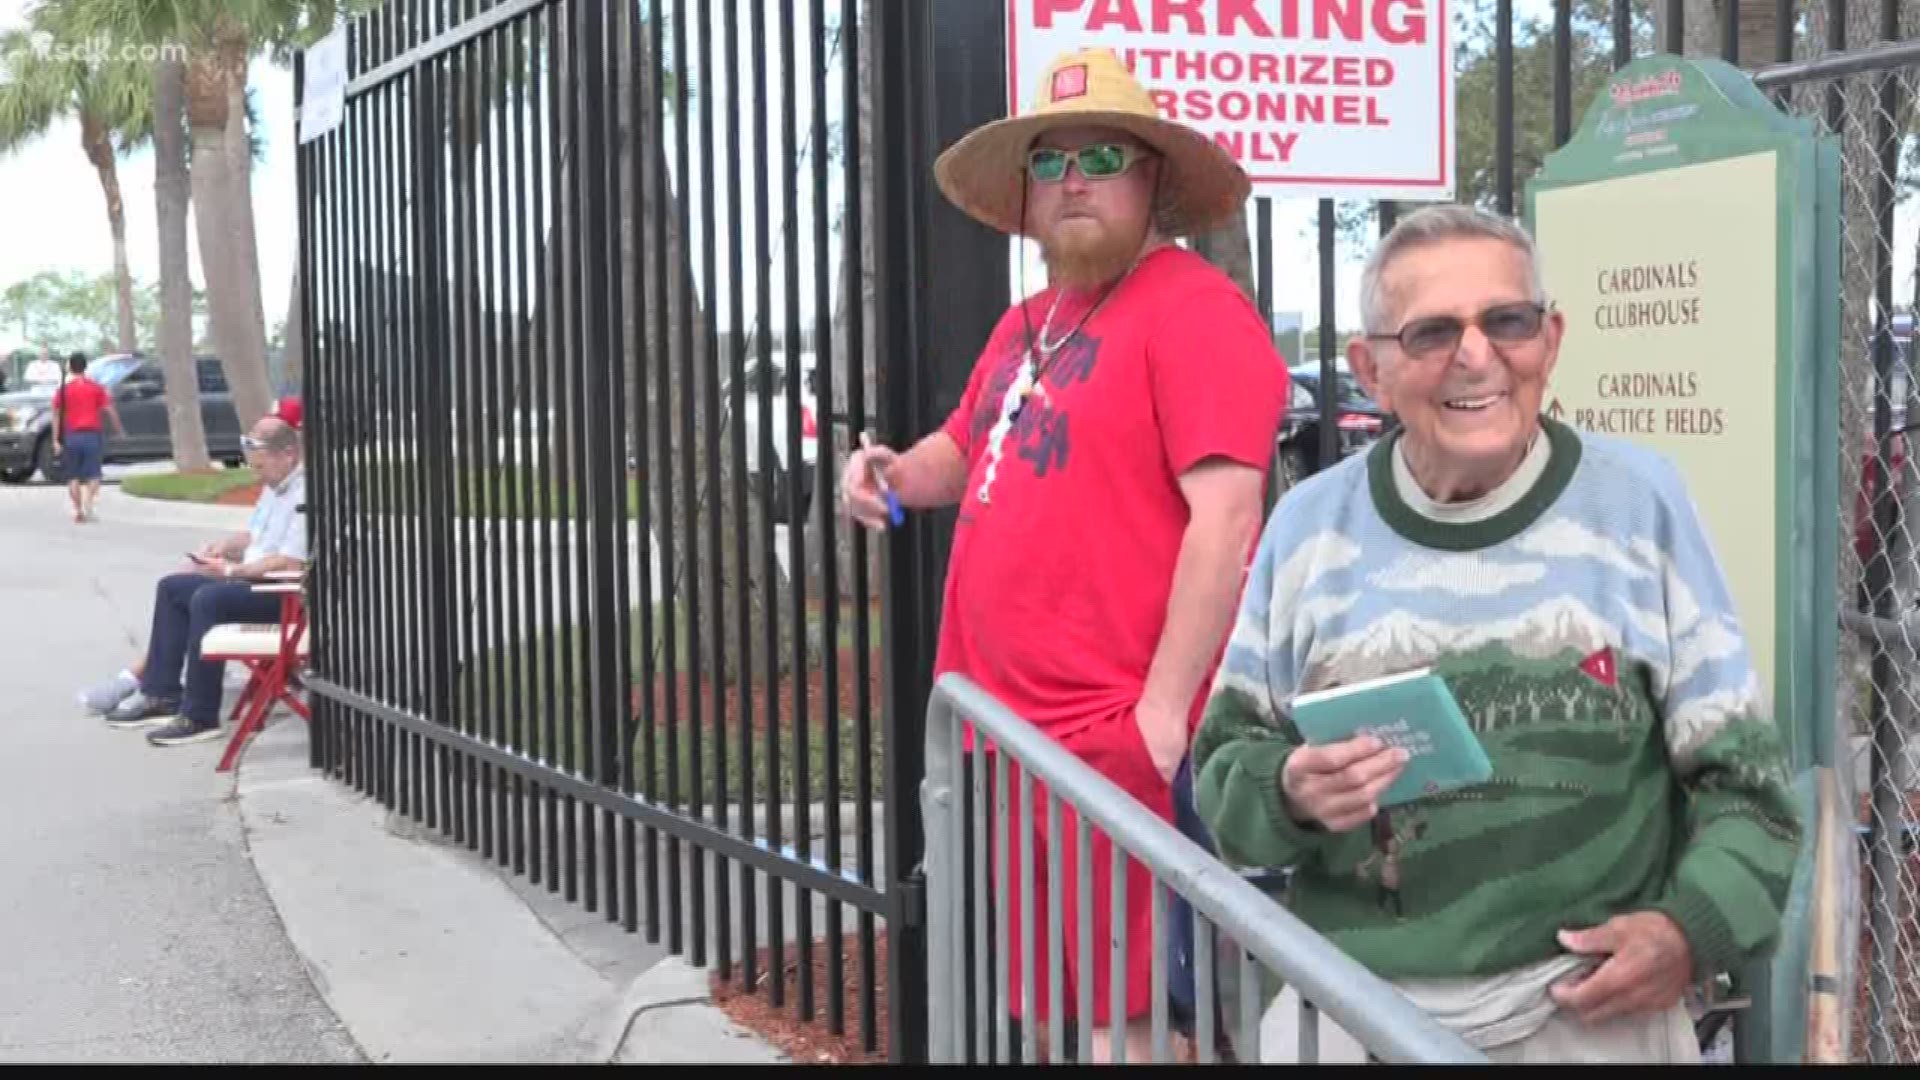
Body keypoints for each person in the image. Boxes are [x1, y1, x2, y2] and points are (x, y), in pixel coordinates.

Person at [1190, 205, 1802, 1063]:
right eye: (1433, 331)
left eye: (1506, 321)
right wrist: (1288, 789)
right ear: (1370, 368)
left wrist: (1689, 932)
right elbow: (1224, 779)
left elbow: (1750, 788)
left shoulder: (1640, 504)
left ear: (1549, 340)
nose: (1476, 356)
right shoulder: (1305, 529)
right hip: (1351, 1009)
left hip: (1586, 1016)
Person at [840, 48, 1286, 1059]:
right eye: (1051, 162)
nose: (1074, 178)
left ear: (1155, 180)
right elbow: (966, 444)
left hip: (1113, 738)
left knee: (1138, 1024)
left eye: (1104, 154)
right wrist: (887, 474)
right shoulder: (1028, 322)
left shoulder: (1196, 311)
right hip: (1011, 733)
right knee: (1046, 1015)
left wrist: (1161, 717)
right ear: (1028, 196)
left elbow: (1227, 517)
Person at [98, 401, 308, 747]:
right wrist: (223, 548)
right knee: (173, 587)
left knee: (208, 598)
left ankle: (200, 714)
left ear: (287, 454)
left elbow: (288, 562)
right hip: (253, 580)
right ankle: (161, 693)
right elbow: (255, 538)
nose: (257, 474)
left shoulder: (303, 495)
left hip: (284, 595)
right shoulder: (274, 487)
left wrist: (229, 571)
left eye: (261, 465)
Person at [50, 351, 125, 523]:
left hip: (72, 436)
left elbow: (56, 414)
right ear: (86, 367)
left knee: (73, 475)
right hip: (92, 434)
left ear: (70, 367)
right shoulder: (96, 388)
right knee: (94, 474)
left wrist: (56, 440)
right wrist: (118, 428)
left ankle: (77, 509)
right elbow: (109, 410)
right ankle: (88, 503)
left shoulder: (64, 391)